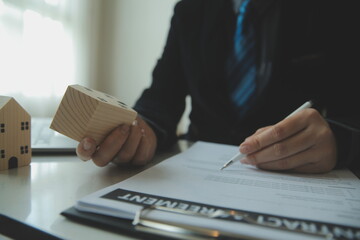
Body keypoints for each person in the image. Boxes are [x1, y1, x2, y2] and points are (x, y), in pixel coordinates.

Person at [76, 0, 359, 173]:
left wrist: (339, 140)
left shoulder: (338, 8)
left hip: (294, 180)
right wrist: (140, 131)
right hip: (194, 174)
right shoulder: (189, 11)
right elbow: (161, 98)